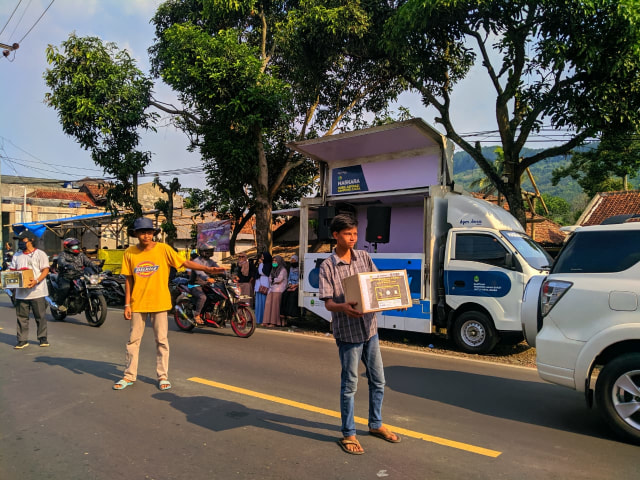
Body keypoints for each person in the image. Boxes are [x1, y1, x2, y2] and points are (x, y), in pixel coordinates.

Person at [318, 214, 401, 455]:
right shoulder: (328, 266)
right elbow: (328, 303)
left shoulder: (364, 257)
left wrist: (395, 300)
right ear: (335, 235)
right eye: (347, 234)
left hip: (370, 330)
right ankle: (349, 433)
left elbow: (378, 285)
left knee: (378, 380)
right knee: (350, 385)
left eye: (355, 234)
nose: (352, 238)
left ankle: (375, 424)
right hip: (348, 333)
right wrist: (342, 307)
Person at [113, 217, 223, 391]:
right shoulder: (130, 253)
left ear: (154, 234)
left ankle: (162, 376)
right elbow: (128, 280)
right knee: (133, 341)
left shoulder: (163, 249)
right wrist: (127, 305)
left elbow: (184, 262)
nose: (146, 236)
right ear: (136, 234)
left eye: (149, 232)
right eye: (142, 232)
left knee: (162, 341)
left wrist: (208, 269)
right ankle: (129, 375)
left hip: (159, 302)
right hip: (137, 303)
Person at [10, 230, 51, 349]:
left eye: (23, 240)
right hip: (21, 293)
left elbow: (45, 270)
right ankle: (22, 340)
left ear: (31, 240)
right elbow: (13, 272)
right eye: (19, 241)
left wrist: (36, 281)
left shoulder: (40, 254)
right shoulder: (17, 255)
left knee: (40, 316)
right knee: (22, 317)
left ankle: (43, 338)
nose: (21, 243)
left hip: (38, 291)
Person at [189, 242, 226, 325]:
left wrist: (229, 275)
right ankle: (197, 315)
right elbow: (199, 272)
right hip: (195, 284)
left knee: (217, 295)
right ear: (202, 251)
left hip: (206, 284)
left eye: (211, 251)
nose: (210, 253)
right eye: (208, 251)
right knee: (202, 297)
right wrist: (207, 278)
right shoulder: (196, 261)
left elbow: (218, 269)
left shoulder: (210, 261)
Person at [55, 237, 96, 312]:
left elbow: (88, 262)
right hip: (66, 276)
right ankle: (59, 304)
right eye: (75, 246)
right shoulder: (63, 254)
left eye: (77, 246)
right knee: (65, 288)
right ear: (67, 247)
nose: (77, 248)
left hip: (79, 276)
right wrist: (67, 265)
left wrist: (94, 265)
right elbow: (61, 262)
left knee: (89, 284)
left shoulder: (81, 255)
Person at [263, 255, 288, 328]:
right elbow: (270, 278)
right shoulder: (273, 269)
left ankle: (274, 322)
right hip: (272, 289)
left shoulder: (283, 270)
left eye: (275, 261)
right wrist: (274, 280)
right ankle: (266, 321)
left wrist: (274, 280)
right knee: (268, 305)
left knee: (275, 307)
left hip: (279, 290)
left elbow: (279, 279)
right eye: (273, 261)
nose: (274, 262)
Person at [253, 251, 272, 325]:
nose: (262, 258)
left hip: (265, 285)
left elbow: (262, 272)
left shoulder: (268, 265)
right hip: (259, 285)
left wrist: (261, 264)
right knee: (258, 304)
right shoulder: (261, 264)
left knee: (264, 303)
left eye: (263, 257)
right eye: (261, 257)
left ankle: (263, 319)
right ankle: (257, 319)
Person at [281, 254, 300, 319]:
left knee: (293, 296)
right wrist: (290, 284)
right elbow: (289, 278)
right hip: (291, 285)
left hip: (297, 286)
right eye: (291, 260)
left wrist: (295, 285)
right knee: (284, 295)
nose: (292, 261)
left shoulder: (300, 269)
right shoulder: (291, 269)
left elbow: (301, 279)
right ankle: (284, 313)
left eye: (294, 260)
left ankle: (292, 314)